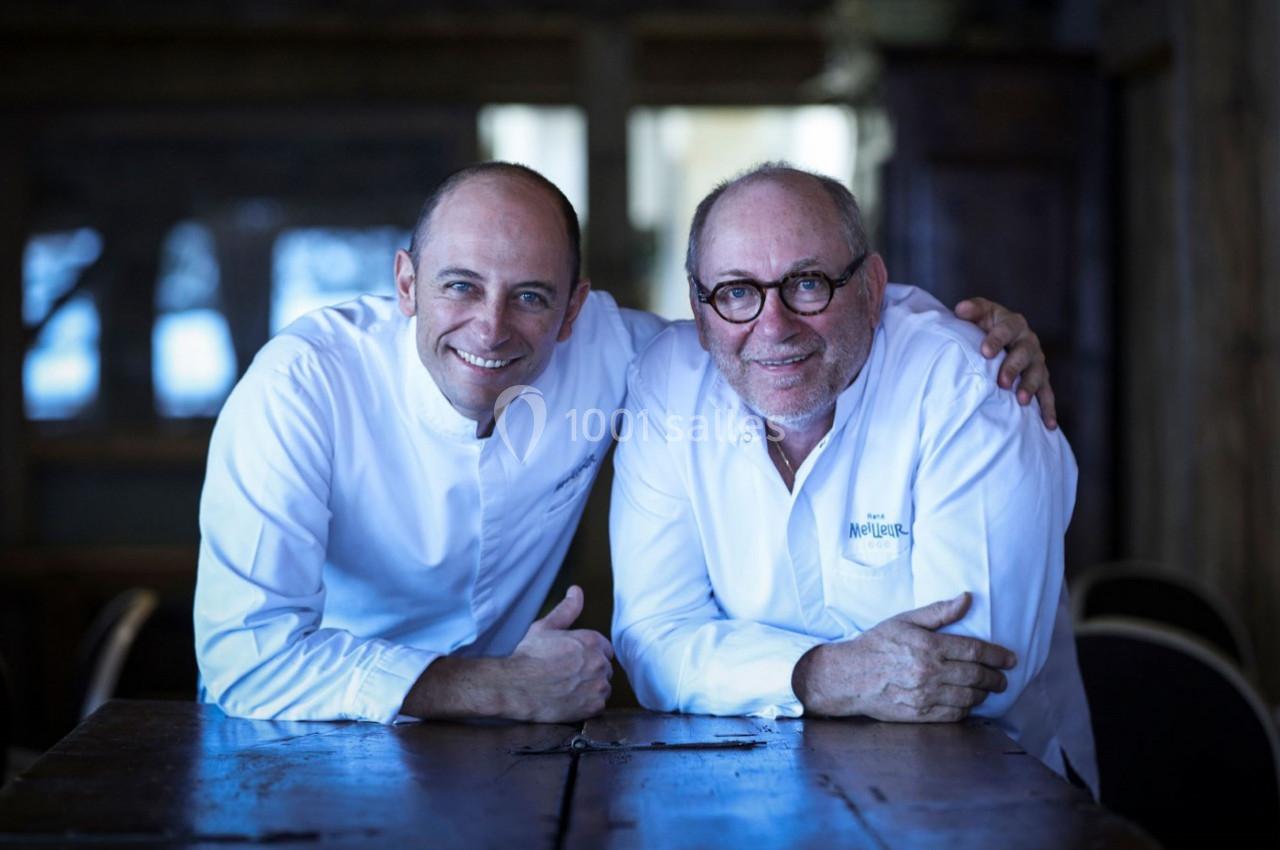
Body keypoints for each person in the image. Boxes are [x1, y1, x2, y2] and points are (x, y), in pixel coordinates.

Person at [194, 161, 1057, 727]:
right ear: (406, 284)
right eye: (459, 285)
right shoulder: (301, 388)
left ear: (574, 308)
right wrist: (491, 684)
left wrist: (983, 346)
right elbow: (244, 658)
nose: (491, 327)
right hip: (301, 731)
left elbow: (756, 336)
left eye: (532, 295)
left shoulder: (638, 356)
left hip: (502, 749)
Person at [609, 162, 1097, 795]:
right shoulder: (667, 383)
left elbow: (976, 675)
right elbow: (652, 641)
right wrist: (821, 674)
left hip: (991, 795)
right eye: (735, 292)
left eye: (808, 283)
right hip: (757, 797)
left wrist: (734, 666)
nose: (773, 326)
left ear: (871, 288)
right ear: (701, 314)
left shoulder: (970, 382)